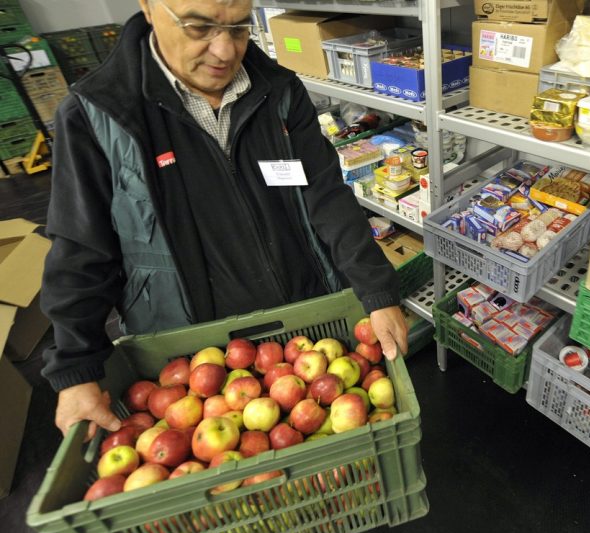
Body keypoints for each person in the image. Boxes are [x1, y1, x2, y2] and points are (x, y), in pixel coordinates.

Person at [40, 0, 408, 440]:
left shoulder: (279, 92)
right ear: (149, 7)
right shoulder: (99, 114)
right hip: (188, 356)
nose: (224, 51)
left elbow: (326, 195)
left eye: (239, 28)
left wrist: (376, 288)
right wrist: (77, 367)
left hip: (303, 329)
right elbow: (82, 248)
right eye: (200, 27)